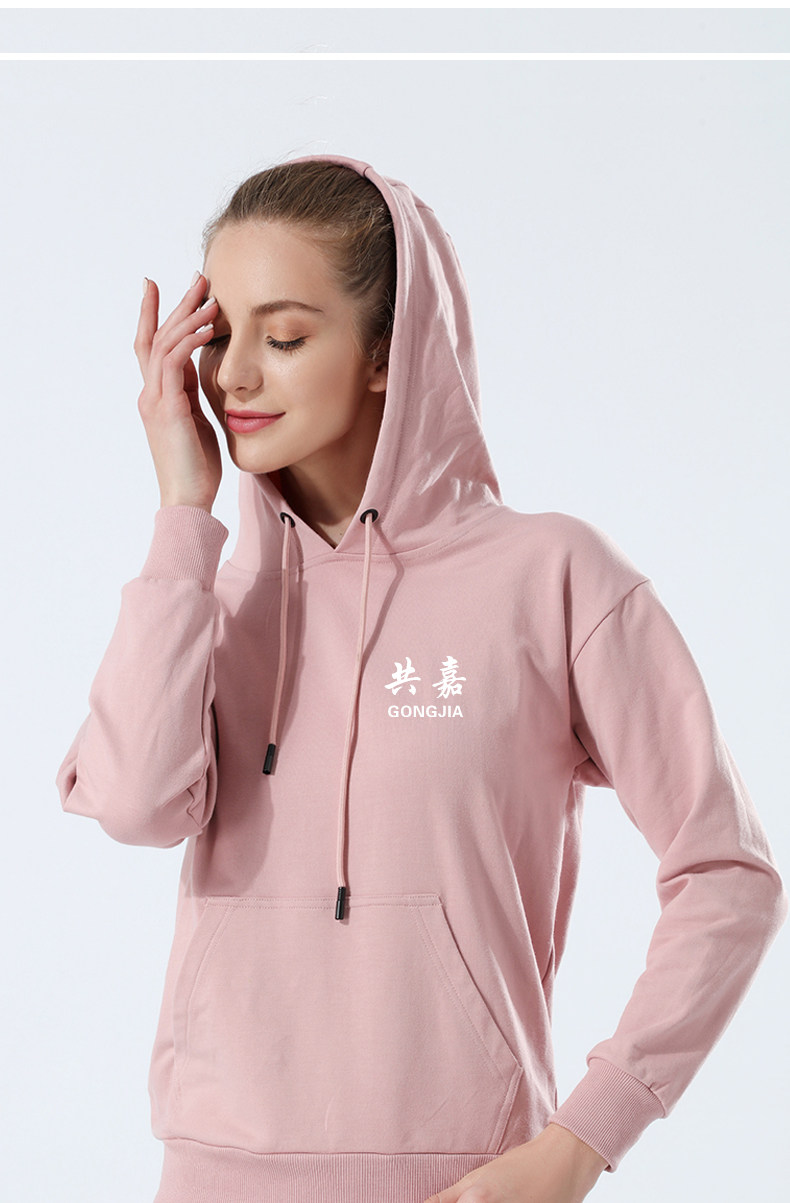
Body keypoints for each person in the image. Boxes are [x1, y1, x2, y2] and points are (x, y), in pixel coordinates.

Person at [56, 152, 787, 1203]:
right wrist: (183, 511)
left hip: (466, 1180)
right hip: (211, 1175)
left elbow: (727, 872)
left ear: (385, 353)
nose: (235, 377)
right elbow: (133, 807)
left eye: (284, 337)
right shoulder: (206, 595)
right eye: (220, 338)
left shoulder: (552, 575)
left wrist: (580, 1141)